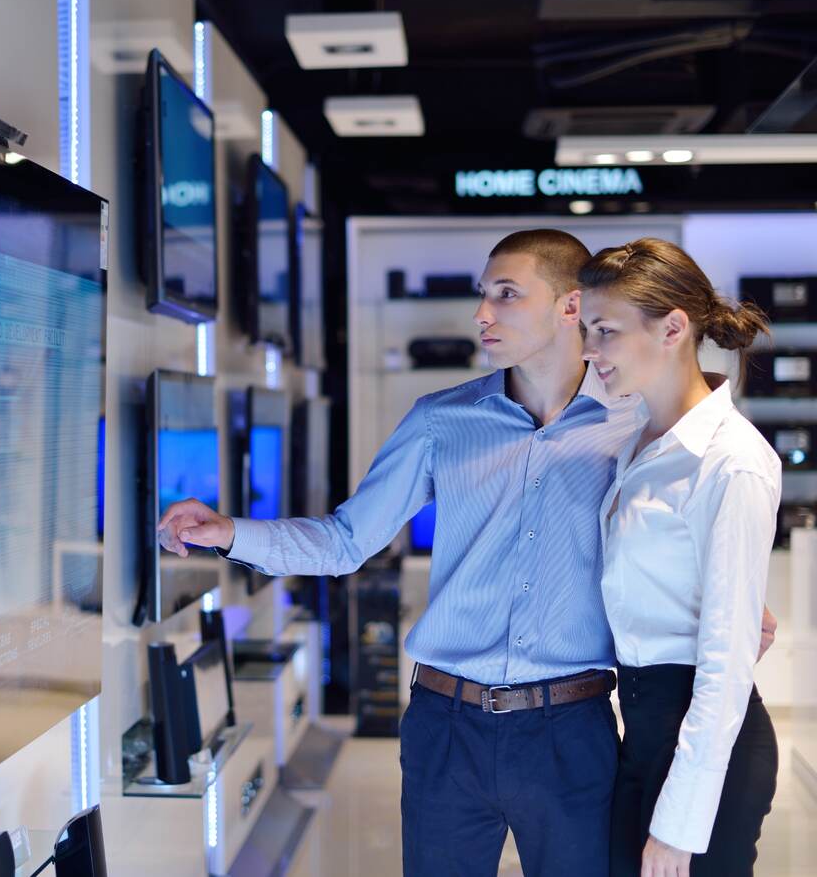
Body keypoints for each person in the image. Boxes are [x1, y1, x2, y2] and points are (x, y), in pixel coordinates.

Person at [156, 229, 774, 877]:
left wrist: (720, 608)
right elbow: (345, 541)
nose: (483, 313)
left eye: (506, 294)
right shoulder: (439, 421)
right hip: (445, 728)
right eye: (484, 295)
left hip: (574, 730)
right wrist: (230, 532)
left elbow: (676, 533)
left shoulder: (637, 425)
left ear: (571, 308)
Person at [579, 238, 780, 877]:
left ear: (672, 328)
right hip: (640, 726)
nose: (589, 351)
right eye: (586, 331)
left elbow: (724, 664)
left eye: (604, 331)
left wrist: (678, 827)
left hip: (702, 741)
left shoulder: (733, 460)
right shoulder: (635, 439)